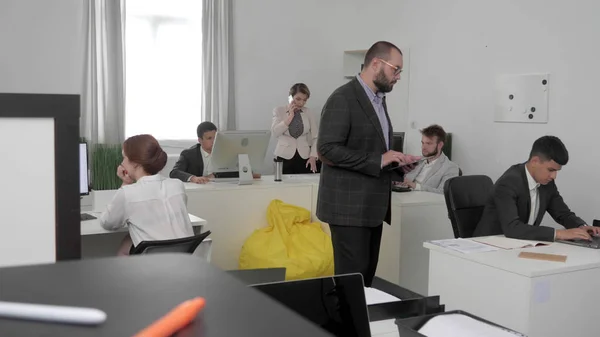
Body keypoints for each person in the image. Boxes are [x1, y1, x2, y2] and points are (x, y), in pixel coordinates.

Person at [316, 41, 420, 286]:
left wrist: (395, 163)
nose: (398, 77)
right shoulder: (343, 98)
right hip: (348, 209)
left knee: (365, 281)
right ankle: (345, 325)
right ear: (376, 64)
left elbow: (372, 151)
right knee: (351, 284)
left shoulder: (378, 99)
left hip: (371, 209)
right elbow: (326, 149)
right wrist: (379, 159)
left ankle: (358, 324)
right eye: (396, 69)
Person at [474, 135, 599, 241]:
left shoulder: (546, 183)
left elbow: (563, 214)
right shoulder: (508, 183)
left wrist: (582, 226)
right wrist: (559, 234)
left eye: (557, 171)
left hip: (519, 245)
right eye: (551, 170)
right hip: (490, 246)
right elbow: (512, 228)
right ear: (535, 162)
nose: (554, 176)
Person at [100, 134, 194, 255]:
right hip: (184, 259)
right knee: (128, 240)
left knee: (126, 246)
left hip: (152, 264)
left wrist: (125, 183)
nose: (122, 162)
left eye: (124, 158)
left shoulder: (128, 193)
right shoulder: (177, 185)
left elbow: (108, 223)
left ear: (135, 163)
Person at [272, 83, 320, 174]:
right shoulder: (279, 110)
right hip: (284, 156)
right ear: (290, 97)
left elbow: (316, 137)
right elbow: (275, 132)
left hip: (304, 157)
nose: (301, 103)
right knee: (285, 187)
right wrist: (290, 116)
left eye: (304, 100)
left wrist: (313, 156)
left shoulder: (308, 112)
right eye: (298, 99)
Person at [400, 124, 459, 194]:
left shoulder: (451, 167)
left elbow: (443, 193)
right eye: (423, 143)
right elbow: (404, 180)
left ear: (440, 145)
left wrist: (416, 186)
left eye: (428, 143)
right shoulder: (417, 161)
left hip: (422, 202)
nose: (423, 147)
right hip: (403, 196)